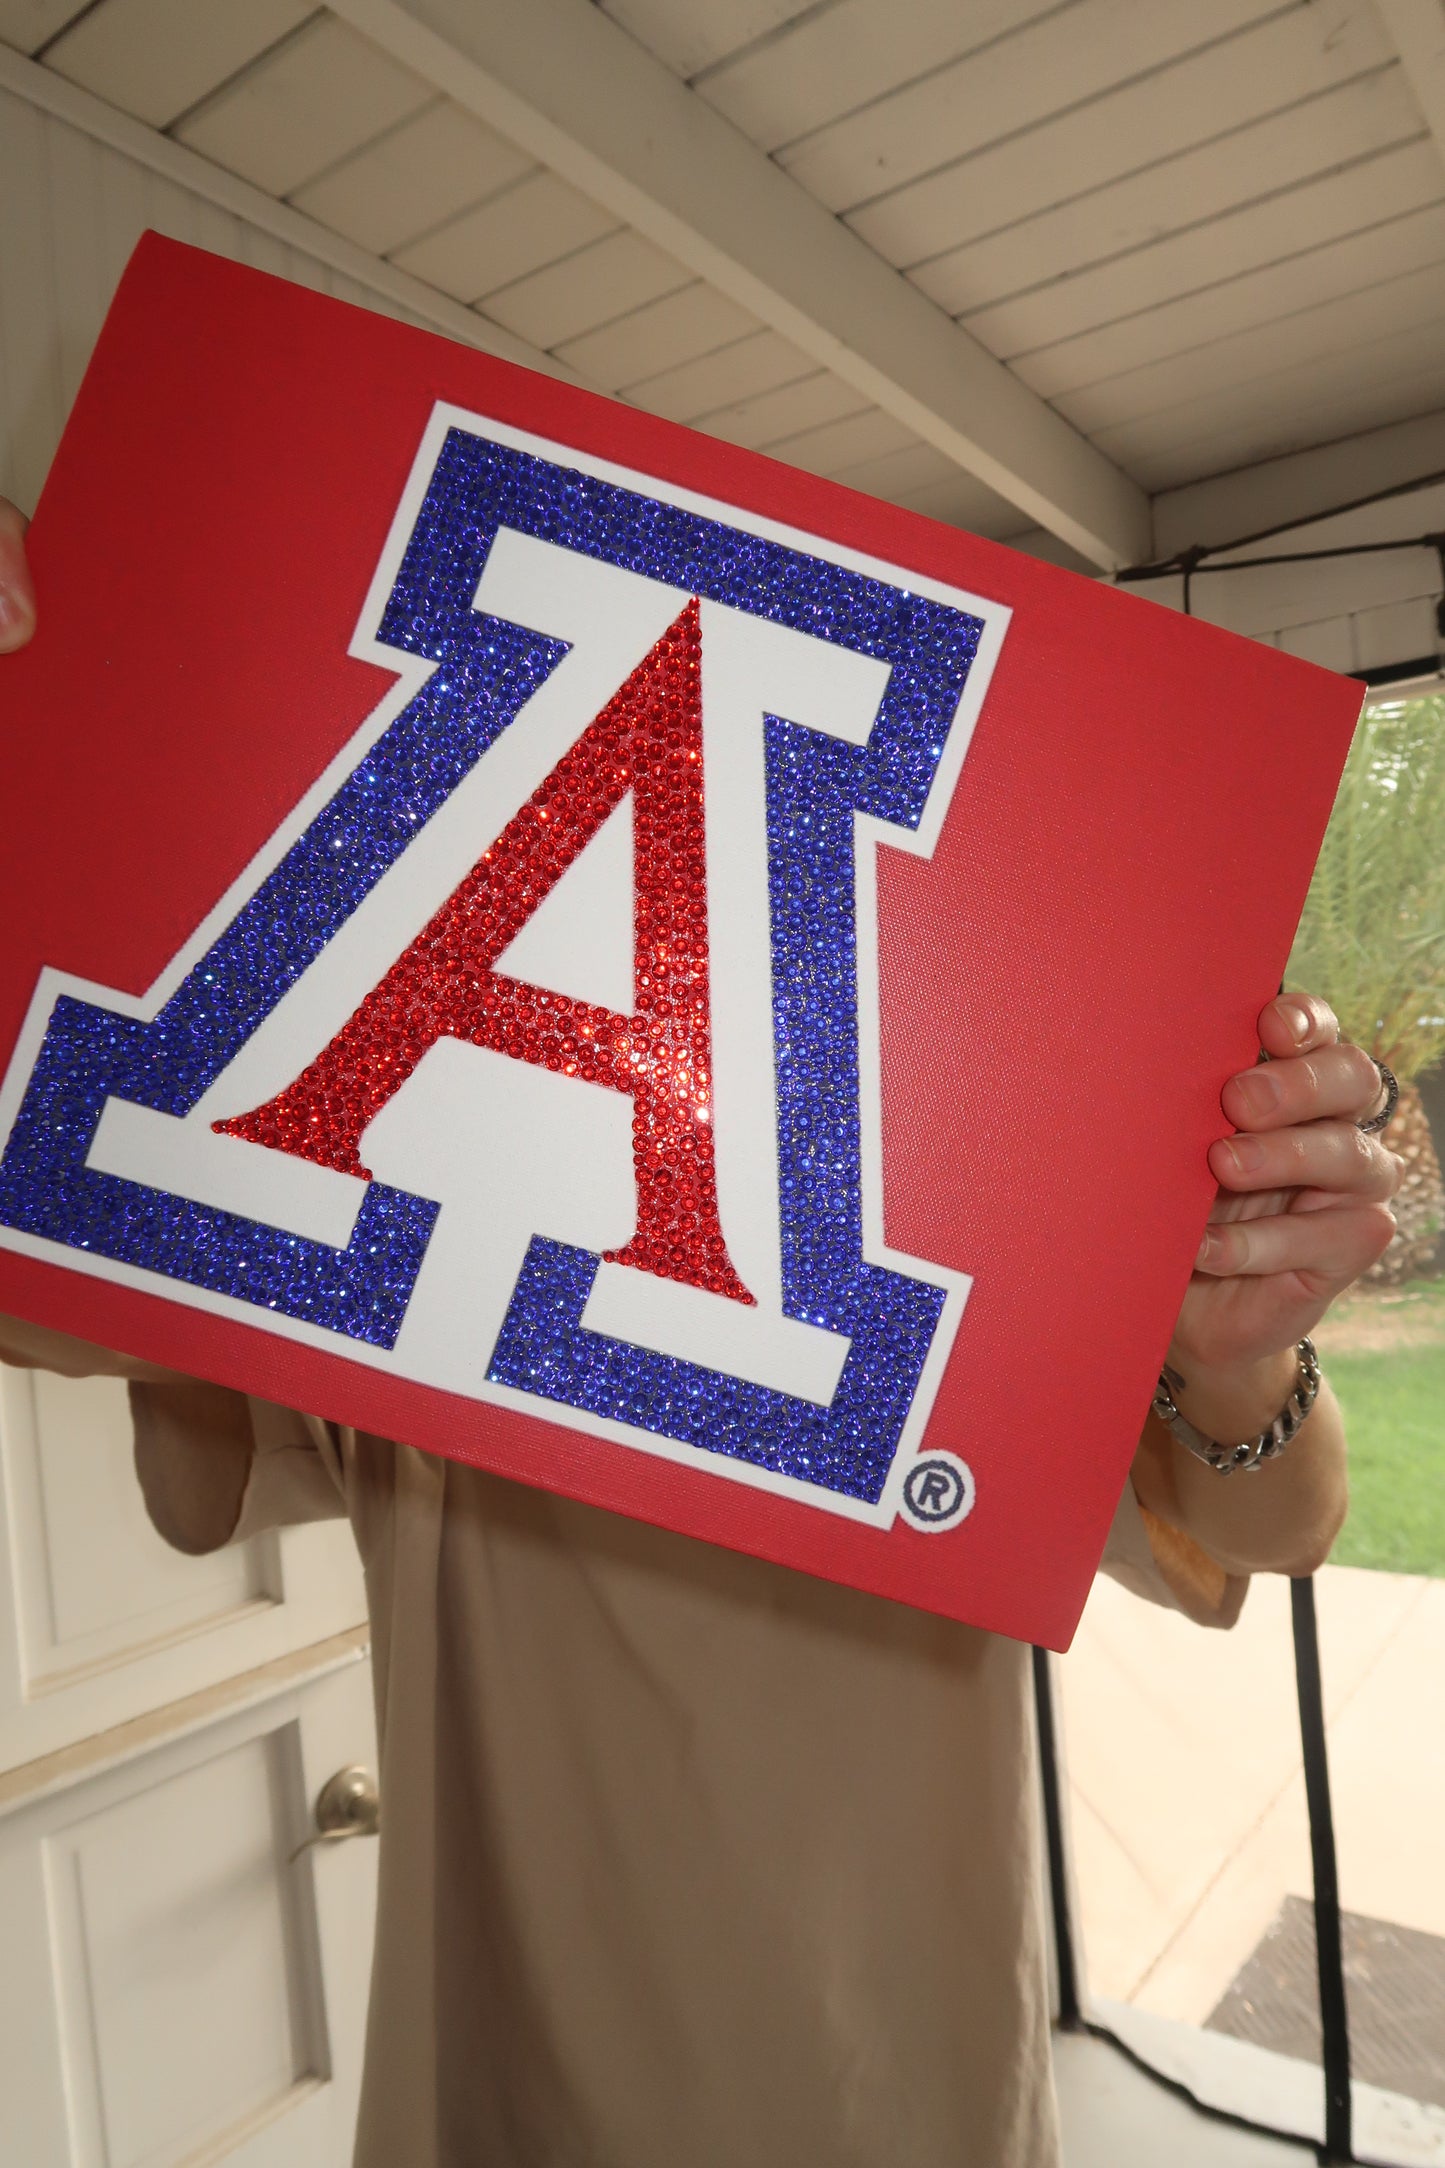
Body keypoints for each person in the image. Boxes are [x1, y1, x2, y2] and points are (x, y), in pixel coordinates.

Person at [0, 498, 1402, 2167]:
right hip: (499, 2090)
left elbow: (1264, 1512)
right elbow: (55, 1269)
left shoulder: (940, 1186)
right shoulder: (423, 1191)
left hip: (900, 2079)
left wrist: (1238, 1330)